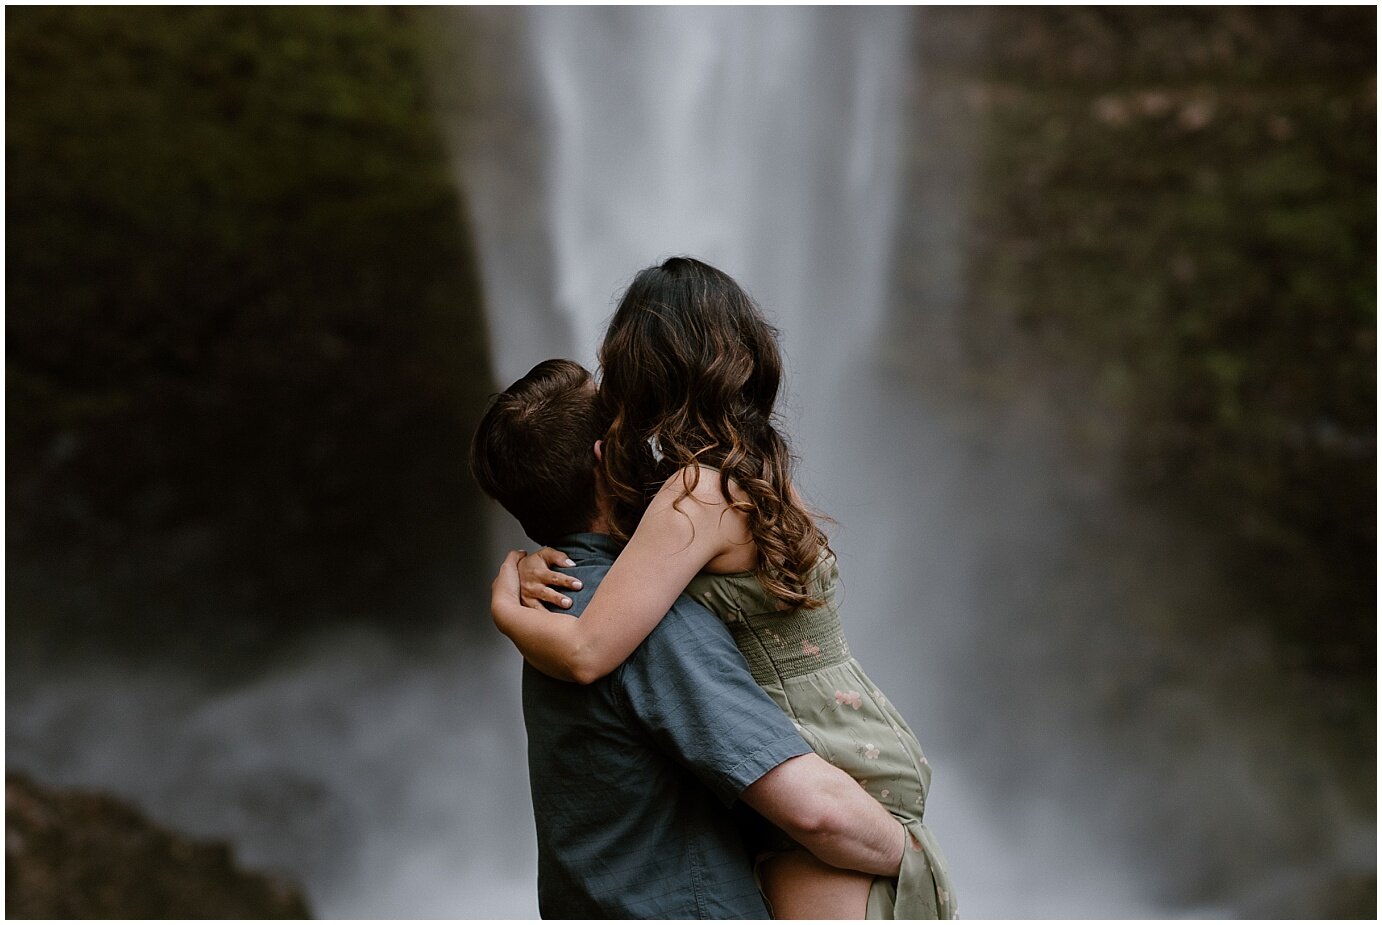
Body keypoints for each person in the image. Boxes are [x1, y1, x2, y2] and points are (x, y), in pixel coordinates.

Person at [490, 257, 957, 919]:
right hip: (855, 733)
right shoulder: (751, 467)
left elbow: (587, 650)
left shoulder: (689, 500)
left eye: (613, 371)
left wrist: (508, 608)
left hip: (824, 763)